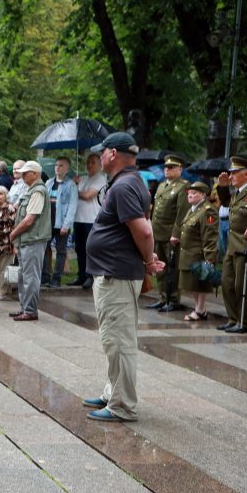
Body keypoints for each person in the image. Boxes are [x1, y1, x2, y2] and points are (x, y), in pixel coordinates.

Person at [83, 132, 164, 422]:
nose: (99, 157)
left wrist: (148, 261)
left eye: (101, 152)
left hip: (116, 274)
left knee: (120, 342)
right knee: (112, 339)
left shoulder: (125, 185)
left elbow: (144, 230)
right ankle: (112, 393)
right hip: (111, 272)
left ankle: (123, 405)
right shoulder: (126, 183)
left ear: (112, 154)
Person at [216, 156, 247, 333]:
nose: (231, 176)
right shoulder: (239, 193)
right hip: (232, 245)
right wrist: (223, 187)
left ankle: (245, 321)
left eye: (234, 173)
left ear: (246, 174)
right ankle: (233, 318)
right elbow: (227, 203)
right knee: (227, 283)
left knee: (243, 286)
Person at [8, 161, 51, 321]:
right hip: (28, 240)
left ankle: (30, 310)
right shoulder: (31, 190)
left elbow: (29, 220)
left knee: (31, 277)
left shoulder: (38, 191)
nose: (22, 175)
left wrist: (13, 234)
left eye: (26, 172)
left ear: (35, 174)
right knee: (24, 276)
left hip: (33, 240)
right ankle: (25, 308)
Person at [147, 155, 190, 312]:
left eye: (171, 167)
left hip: (171, 234)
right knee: (160, 267)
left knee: (172, 268)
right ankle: (163, 297)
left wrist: (176, 234)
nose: (167, 170)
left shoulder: (183, 186)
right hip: (158, 232)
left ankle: (172, 300)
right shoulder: (161, 185)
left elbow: (182, 212)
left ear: (180, 169)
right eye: (166, 167)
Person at [177, 181, 219, 322]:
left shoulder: (207, 210)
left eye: (194, 193)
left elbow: (210, 236)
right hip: (188, 254)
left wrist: (210, 258)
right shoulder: (194, 208)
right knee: (192, 284)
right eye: (189, 193)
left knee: (200, 284)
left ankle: (200, 310)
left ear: (203, 195)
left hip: (199, 254)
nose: (190, 195)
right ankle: (199, 308)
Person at [41, 157, 78, 287]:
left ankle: (56, 279)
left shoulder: (71, 185)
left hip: (61, 223)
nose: (57, 167)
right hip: (48, 222)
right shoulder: (49, 183)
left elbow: (72, 206)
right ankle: (45, 277)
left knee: (61, 251)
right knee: (45, 248)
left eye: (61, 165)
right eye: (56, 165)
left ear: (67, 168)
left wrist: (66, 225)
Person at [71, 152, 106, 289]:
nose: (89, 165)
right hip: (79, 218)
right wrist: (76, 184)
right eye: (88, 162)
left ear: (99, 164)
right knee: (79, 248)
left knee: (90, 249)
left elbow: (87, 195)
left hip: (91, 219)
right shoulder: (83, 179)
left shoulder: (100, 179)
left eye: (93, 162)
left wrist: (74, 189)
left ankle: (91, 276)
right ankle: (81, 275)